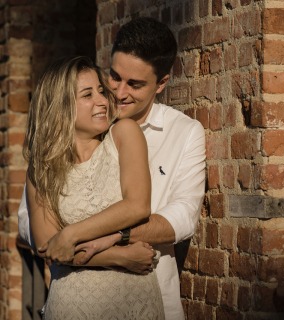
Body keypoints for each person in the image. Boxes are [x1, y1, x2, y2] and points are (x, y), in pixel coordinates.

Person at [18, 17, 206, 320]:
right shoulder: (61, 150)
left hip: (148, 287)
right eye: (114, 77)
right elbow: (36, 230)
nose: (117, 93)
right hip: (73, 297)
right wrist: (113, 254)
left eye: (134, 84)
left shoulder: (183, 132)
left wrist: (110, 237)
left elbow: (182, 216)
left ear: (161, 84)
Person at [24, 56, 164, 319]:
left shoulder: (124, 134)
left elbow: (136, 206)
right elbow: (47, 245)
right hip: (71, 303)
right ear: (61, 106)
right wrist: (118, 257)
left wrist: (70, 234)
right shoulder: (41, 169)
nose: (102, 100)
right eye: (87, 95)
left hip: (132, 300)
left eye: (101, 91)